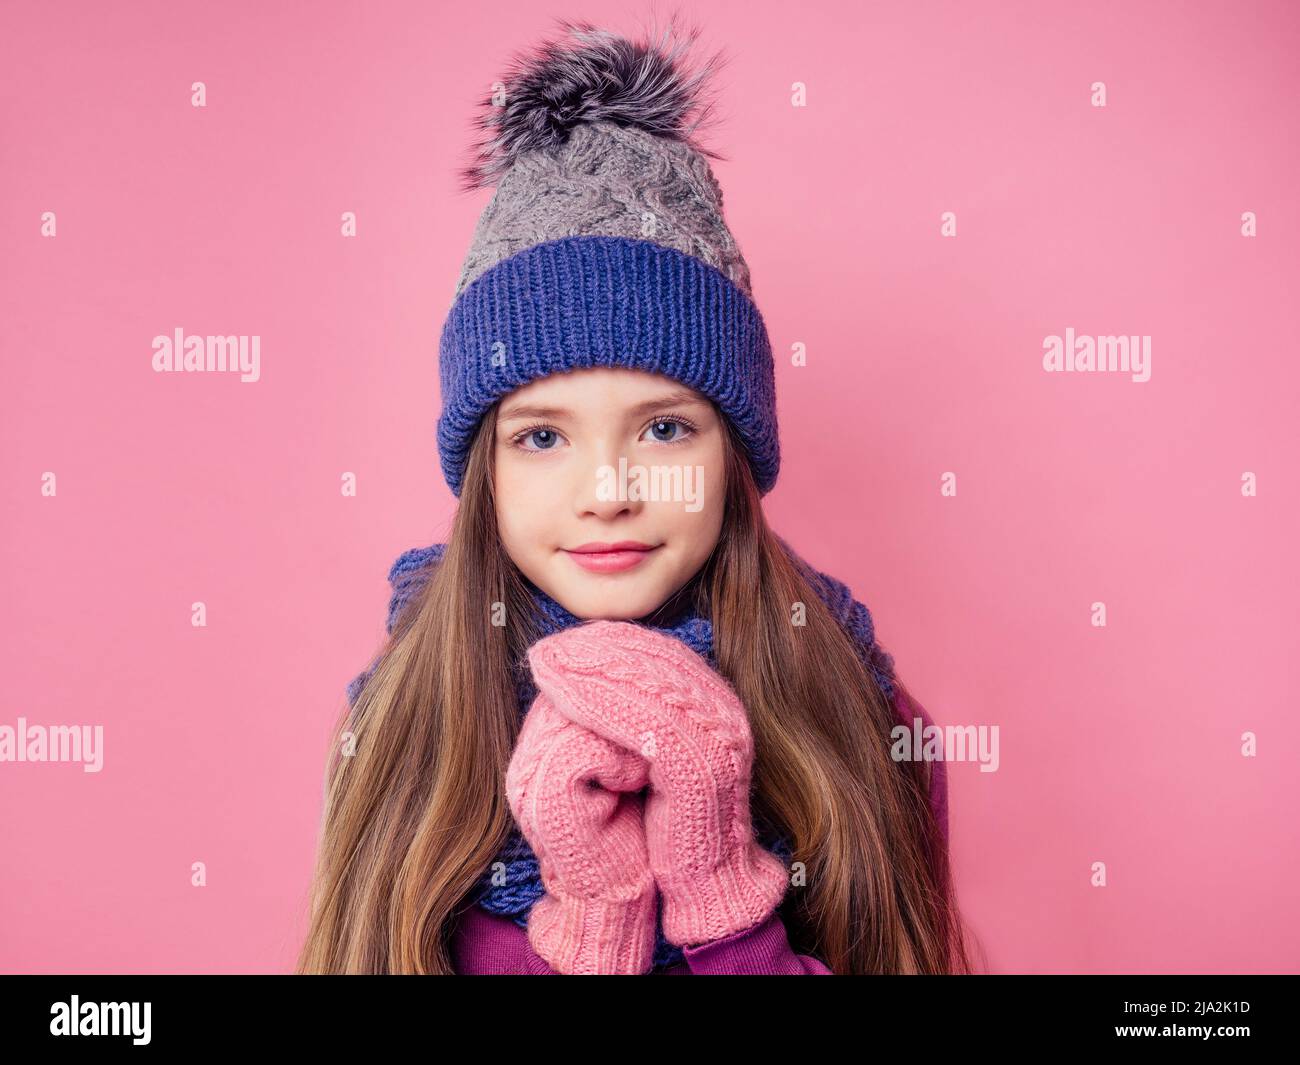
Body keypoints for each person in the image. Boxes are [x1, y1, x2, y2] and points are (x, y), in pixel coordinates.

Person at [298, 17, 970, 976]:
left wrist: (720, 892)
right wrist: (600, 917)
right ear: (484, 472)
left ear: (732, 450)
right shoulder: (404, 718)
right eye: (540, 437)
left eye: (663, 428)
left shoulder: (858, 711)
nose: (607, 492)